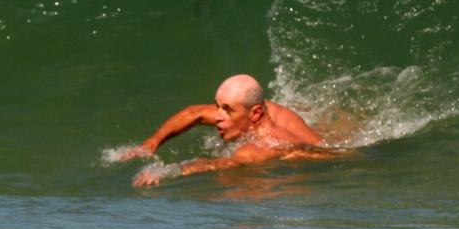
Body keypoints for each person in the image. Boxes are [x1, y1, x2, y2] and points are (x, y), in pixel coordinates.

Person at [126, 74, 328, 187]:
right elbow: (195, 113)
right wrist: (151, 143)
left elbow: (229, 162)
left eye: (227, 110)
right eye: (219, 106)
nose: (217, 116)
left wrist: (172, 171)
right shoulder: (255, 109)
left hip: (329, 161)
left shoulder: (263, 144)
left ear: (256, 114)